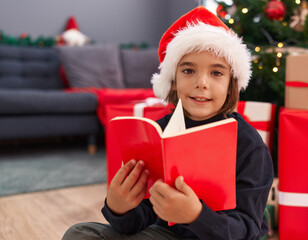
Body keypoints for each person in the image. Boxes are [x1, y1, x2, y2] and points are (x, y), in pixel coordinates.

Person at [63, 6, 274, 240]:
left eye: (216, 73)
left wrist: (196, 215)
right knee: (79, 234)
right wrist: (119, 207)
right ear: (173, 81)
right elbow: (139, 221)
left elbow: (249, 231)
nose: (201, 83)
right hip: (163, 234)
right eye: (188, 70)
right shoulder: (159, 132)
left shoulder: (249, 146)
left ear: (231, 84)